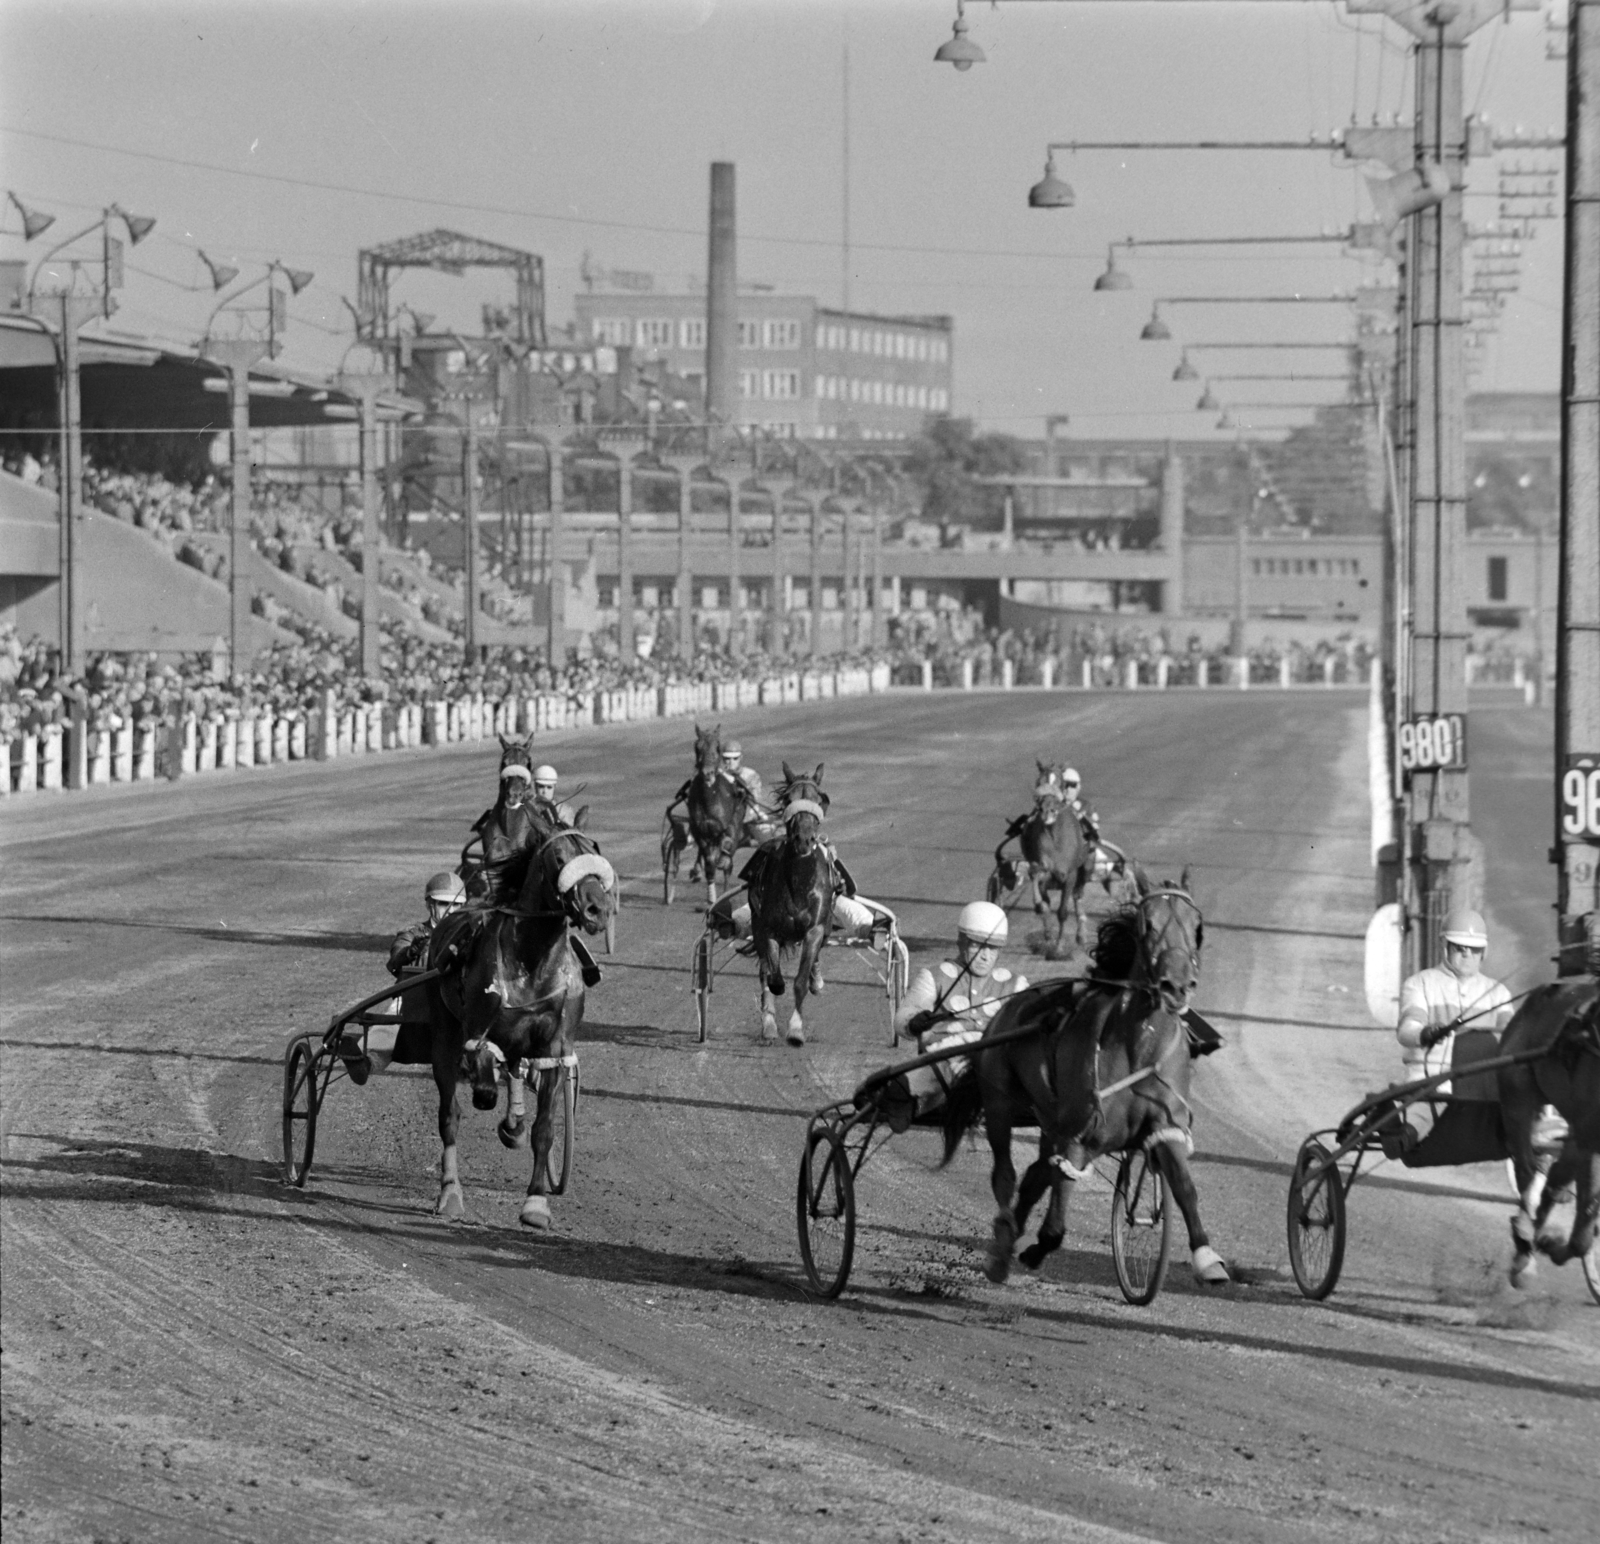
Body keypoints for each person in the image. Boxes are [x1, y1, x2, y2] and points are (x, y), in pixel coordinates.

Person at [873, 901, 1029, 1132]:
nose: (985, 956)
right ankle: (899, 1092)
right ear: (961, 941)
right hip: (942, 1060)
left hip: (997, 1063)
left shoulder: (1015, 984)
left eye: (993, 949)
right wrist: (915, 1020)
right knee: (915, 1079)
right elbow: (903, 1017)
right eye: (977, 946)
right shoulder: (934, 976)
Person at [1384, 908, 1514, 1162]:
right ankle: (1404, 1135)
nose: (1467, 954)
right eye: (1459, 947)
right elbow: (1407, 1029)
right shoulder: (1419, 983)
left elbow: (1511, 1037)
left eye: (1474, 949)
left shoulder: (1499, 993)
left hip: (1481, 1085)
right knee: (1430, 1107)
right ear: (1446, 947)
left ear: (1483, 953)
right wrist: (1425, 1033)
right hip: (1431, 1080)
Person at [341, 871, 468, 1082]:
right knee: (390, 1025)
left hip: (458, 1001)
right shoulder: (413, 933)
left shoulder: (469, 933)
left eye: (456, 905)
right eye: (445, 904)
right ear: (430, 905)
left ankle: (529, 1072)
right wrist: (410, 952)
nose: (451, 910)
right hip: (414, 999)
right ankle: (366, 1063)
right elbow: (395, 961)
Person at [1058, 767, 1100, 844]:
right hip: (1059, 846)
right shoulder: (1052, 806)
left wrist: (1080, 816)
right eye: (1064, 785)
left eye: (1072, 785)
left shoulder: (1087, 806)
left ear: (1078, 787)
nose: (1067, 789)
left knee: (1099, 855)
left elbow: (1095, 828)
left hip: (1084, 846)